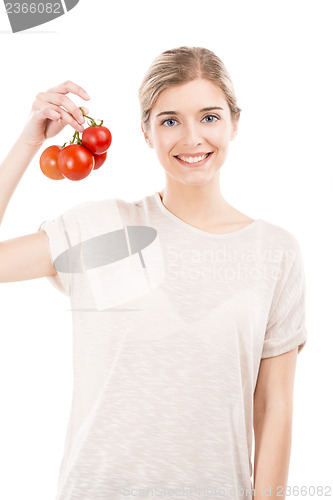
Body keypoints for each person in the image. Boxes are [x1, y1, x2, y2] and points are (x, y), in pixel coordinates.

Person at [0, 46, 307, 500]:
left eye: (208, 117)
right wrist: (27, 144)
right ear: (145, 131)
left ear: (234, 123)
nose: (191, 138)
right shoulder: (100, 227)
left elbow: (274, 407)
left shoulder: (275, 251)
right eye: (169, 120)